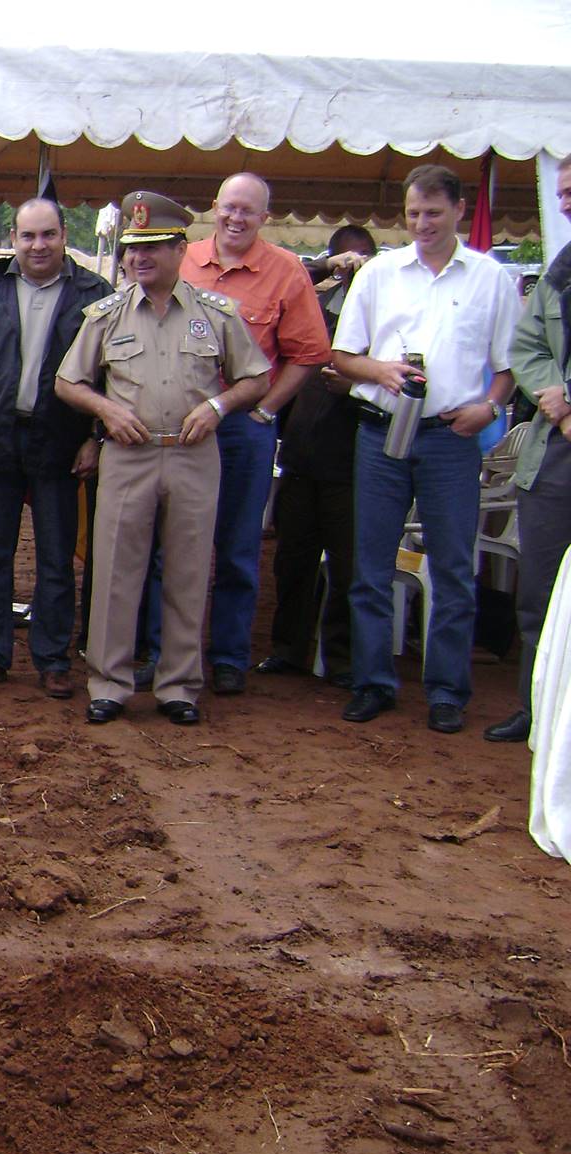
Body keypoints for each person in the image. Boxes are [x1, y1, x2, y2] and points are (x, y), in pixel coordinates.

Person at [55, 191, 269, 725]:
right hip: (129, 456)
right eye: (131, 248)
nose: (137, 258)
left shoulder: (215, 314)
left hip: (193, 454)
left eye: (151, 248)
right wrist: (106, 409)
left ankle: (179, 686)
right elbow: (67, 380)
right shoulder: (106, 315)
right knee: (114, 573)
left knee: (189, 571)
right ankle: (109, 683)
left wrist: (219, 407)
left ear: (180, 249)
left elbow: (256, 377)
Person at [331, 163, 518, 733]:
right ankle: (372, 681)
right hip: (381, 431)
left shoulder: (490, 278)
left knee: (454, 567)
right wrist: (381, 371)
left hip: (450, 436)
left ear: (459, 210)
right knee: (370, 564)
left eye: (433, 213)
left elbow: (509, 366)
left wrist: (490, 406)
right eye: (413, 214)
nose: (422, 224)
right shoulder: (381, 273)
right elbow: (342, 357)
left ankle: (446, 690)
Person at [172, 172, 332, 695]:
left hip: (244, 428)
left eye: (249, 211)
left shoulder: (285, 272)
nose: (236, 218)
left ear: (265, 217)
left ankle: (228, 658)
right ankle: (167, 652)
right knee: (172, 545)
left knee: (237, 547)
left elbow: (310, 353)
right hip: (180, 424)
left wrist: (266, 411)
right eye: (229, 207)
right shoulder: (182, 260)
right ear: (213, 207)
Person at [0, 197, 113, 695]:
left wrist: (95, 438)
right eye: (28, 236)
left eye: (48, 235)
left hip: (61, 441)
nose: (38, 245)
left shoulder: (95, 294)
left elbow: (110, 376)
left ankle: (52, 657)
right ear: (14, 239)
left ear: (65, 235)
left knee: (56, 555)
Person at [256, 224, 378, 685]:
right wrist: (326, 266)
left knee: (347, 565)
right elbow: (285, 278)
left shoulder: (380, 314)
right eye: (346, 259)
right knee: (292, 560)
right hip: (302, 455)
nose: (355, 267)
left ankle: (341, 659)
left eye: (363, 258)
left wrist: (357, 384)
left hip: (352, 457)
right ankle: (288, 648)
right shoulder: (315, 307)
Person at [482, 152, 571, 744]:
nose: (564, 201)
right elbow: (525, 345)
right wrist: (554, 395)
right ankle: (538, 714)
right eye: (561, 192)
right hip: (556, 451)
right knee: (537, 595)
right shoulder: (561, 270)